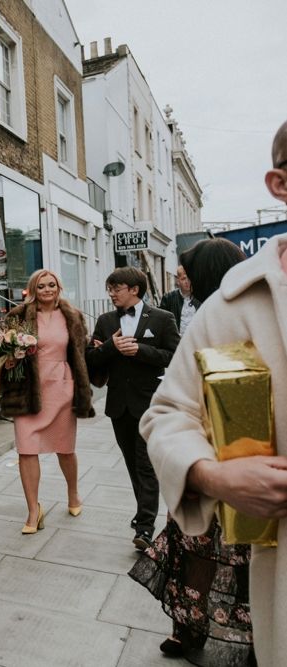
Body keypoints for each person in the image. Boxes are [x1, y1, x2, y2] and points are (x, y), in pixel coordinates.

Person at [141, 121, 287, 667]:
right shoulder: (236, 305)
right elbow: (171, 414)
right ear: (279, 184)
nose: (179, 280)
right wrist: (213, 475)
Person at [129, 239, 252, 664]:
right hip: (197, 453)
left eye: (186, 273)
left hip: (238, 452)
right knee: (194, 548)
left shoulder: (238, 314)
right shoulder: (194, 310)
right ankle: (186, 627)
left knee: (234, 554)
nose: (181, 279)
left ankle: (234, 634)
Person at [85, 266, 180, 551]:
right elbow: (91, 360)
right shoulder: (105, 321)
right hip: (119, 406)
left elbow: (175, 356)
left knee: (145, 465)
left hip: (151, 403)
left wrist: (140, 350)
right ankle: (144, 512)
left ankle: (145, 528)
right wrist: (111, 347)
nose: (112, 294)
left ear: (134, 289)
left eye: (116, 288)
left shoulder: (163, 319)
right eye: (110, 289)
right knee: (132, 464)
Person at [0, 269, 93, 533]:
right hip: (27, 389)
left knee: (65, 448)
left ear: (59, 288)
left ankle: (73, 493)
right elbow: (1, 353)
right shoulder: (17, 316)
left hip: (63, 388)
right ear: (33, 290)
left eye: (52, 285)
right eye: (42, 286)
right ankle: (33, 511)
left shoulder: (72, 316)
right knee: (26, 448)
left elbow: (83, 353)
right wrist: (5, 363)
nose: (48, 290)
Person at [159, 265, 201, 336]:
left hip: (197, 340)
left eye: (189, 278)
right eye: (183, 278)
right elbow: (161, 322)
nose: (187, 282)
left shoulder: (201, 297)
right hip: (176, 342)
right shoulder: (168, 298)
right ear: (178, 281)